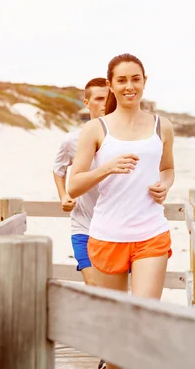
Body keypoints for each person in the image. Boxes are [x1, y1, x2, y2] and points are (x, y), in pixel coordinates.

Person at [68, 53, 175, 298]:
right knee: (114, 319)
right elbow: (73, 186)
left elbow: (168, 169)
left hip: (152, 233)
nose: (130, 86)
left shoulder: (162, 126)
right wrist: (107, 168)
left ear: (144, 81)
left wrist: (165, 185)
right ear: (111, 85)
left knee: (146, 313)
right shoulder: (95, 129)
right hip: (108, 234)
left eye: (136, 79)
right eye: (122, 80)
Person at [52, 77, 108, 286]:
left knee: (114, 295)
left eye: (109, 98)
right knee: (94, 289)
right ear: (87, 103)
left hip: (116, 229)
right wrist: (63, 195)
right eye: (100, 98)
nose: (105, 103)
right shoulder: (72, 140)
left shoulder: (124, 139)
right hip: (83, 226)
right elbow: (58, 170)